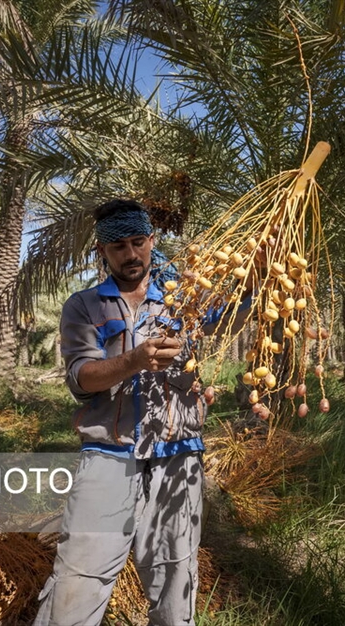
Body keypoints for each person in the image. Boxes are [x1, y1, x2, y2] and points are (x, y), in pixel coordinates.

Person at [34, 199, 242, 626]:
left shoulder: (186, 299)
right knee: (78, 578)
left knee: (174, 578)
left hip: (178, 456)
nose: (130, 255)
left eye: (137, 242)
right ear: (102, 251)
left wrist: (260, 267)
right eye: (118, 247)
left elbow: (236, 312)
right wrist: (133, 360)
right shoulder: (85, 306)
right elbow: (81, 378)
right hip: (109, 457)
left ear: (152, 240)